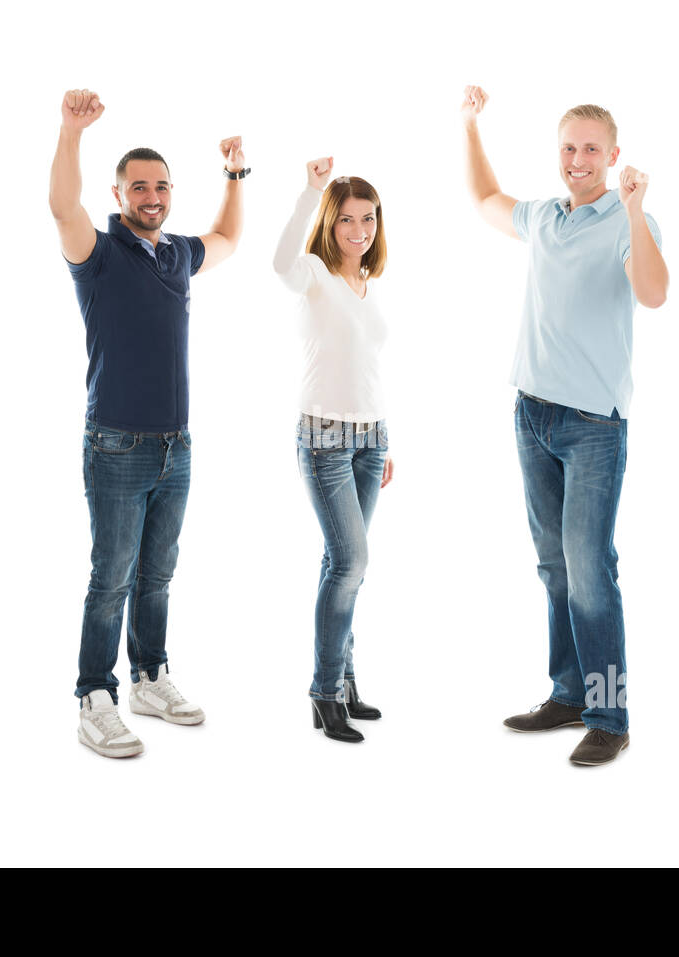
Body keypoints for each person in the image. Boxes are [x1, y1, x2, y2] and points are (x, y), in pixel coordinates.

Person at [460, 86, 668, 767]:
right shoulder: (545, 216)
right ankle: (569, 691)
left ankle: (610, 714)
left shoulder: (629, 218)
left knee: (590, 572)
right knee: (554, 568)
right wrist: (469, 124)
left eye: (590, 148)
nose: (578, 159)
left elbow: (654, 291)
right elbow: (486, 198)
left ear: (613, 156)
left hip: (592, 426)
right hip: (531, 414)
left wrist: (635, 211)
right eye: (568, 147)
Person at [49, 89, 247, 758]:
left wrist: (235, 176)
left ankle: (149, 676)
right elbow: (60, 204)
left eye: (161, 185)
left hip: (175, 444)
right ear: (120, 191)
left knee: (157, 572)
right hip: (116, 443)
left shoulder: (175, 254)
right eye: (140, 185)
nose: (152, 194)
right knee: (112, 575)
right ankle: (94, 695)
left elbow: (227, 238)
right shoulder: (98, 252)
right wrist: (71, 132)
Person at [273, 158, 395, 743]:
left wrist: (384, 437)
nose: (358, 231)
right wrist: (309, 190)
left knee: (344, 567)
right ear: (331, 222)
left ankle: (344, 683)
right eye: (347, 220)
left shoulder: (367, 283)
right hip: (323, 438)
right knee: (351, 563)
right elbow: (278, 264)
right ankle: (324, 695)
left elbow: (366, 367)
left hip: (370, 440)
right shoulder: (314, 273)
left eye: (367, 219)